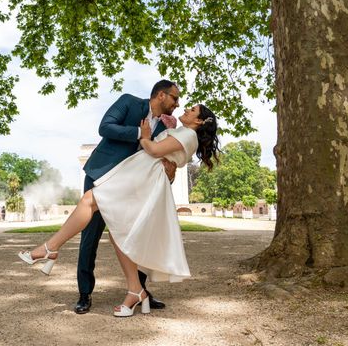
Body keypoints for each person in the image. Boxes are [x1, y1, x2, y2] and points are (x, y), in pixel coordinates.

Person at [18, 103, 220, 317]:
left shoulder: (189, 134)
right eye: (178, 100)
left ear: (198, 121)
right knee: (118, 233)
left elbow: (153, 150)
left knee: (89, 200)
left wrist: (144, 136)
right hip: (140, 173)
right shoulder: (179, 130)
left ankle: (50, 248)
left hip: (142, 175)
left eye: (192, 110)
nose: (184, 107)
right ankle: (135, 290)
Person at [76, 80, 180, 314]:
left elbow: (161, 162)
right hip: (101, 177)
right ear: (161, 95)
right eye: (174, 98)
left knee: (139, 238)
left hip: (132, 188)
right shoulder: (129, 102)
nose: (177, 103)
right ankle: (84, 294)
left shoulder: (165, 130)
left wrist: (170, 173)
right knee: (90, 237)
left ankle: (140, 290)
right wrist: (138, 133)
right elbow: (105, 127)